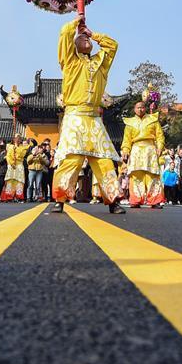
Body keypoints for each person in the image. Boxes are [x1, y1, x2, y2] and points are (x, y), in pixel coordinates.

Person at [48, 17, 123, 215]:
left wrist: (93, 34)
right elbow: (64, 34)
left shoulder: (101, 63)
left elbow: (113, 45)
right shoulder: (69, 62)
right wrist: (75, 24)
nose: (85, 40)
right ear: (74, 45)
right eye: (81, 38)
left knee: (104, 161)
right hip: (74, 117)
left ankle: (113, 201)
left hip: (94, 119)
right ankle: (60, 199)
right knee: (72, 160)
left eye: (87, 38)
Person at [121, 99, 165, 209]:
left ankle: (154, 201)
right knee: (136, 175)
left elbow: (160, 136)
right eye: (138, 107)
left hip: (150, 149)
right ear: (134, 109)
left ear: (145, 108)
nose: (140, 109)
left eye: (142, 107)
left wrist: (160, 147)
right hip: (136, 150)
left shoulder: (153, 120)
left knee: (152, 175)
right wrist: (126, 150)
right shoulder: (129, 123)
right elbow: (126, 140)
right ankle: (136, 200)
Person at [1, 133, 31, 202]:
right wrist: (11, 163)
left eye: (19, 138)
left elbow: (23, 154)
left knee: (19, 181)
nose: (17, 139)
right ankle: (9, 196)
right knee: (10, 180)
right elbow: (8, 156)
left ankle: (18, 196)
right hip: (12, 165)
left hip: (19, 165)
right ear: (14, 139)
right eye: (16, 138)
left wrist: (17, 149)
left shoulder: (22, 147)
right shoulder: (10, 147)